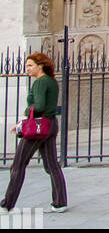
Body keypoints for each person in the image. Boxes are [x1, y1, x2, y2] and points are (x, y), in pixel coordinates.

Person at [2, 52, 68, 213]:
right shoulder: (52, 82)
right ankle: (60, 202)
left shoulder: (40, 82)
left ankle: (7, 204)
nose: (27, 69)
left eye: (30, 65)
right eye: (26, 65)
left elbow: (38, 106)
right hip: (51, 124)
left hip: (38, 127)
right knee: (52, 165)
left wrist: (24, 115)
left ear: (41, 65)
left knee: (18, 164)